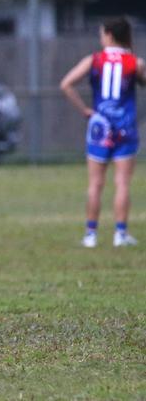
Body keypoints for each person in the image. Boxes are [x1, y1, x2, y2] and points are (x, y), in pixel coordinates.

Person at [60, 16, 145, 248]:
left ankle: (90, 235)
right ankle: (120, 234)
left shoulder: (94, 60)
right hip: (125, 129)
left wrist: (85, 110)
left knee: (95, 184)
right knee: (122, 183)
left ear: (108, 34)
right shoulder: (134, 62)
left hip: (100, 128)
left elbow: (66, 83)